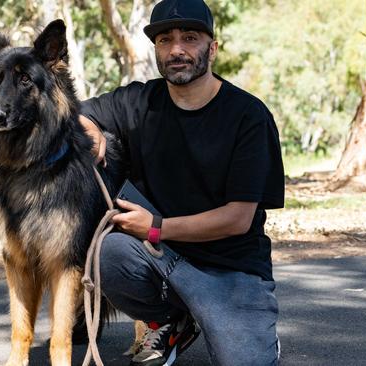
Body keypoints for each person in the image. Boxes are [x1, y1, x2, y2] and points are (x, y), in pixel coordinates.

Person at [79, 0, 284, 364]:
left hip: (230, 270)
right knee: (110, 253)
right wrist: (92, 130)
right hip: (164, 262)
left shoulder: (248, 116)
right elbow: (73, 111)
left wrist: (156, 228)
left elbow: (237, 218)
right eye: (164, 39)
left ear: (212, 48)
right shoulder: (138, 100)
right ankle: (170, 322)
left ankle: (250, 328)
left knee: (245, 360)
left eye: (190, 38)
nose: (176, 50)